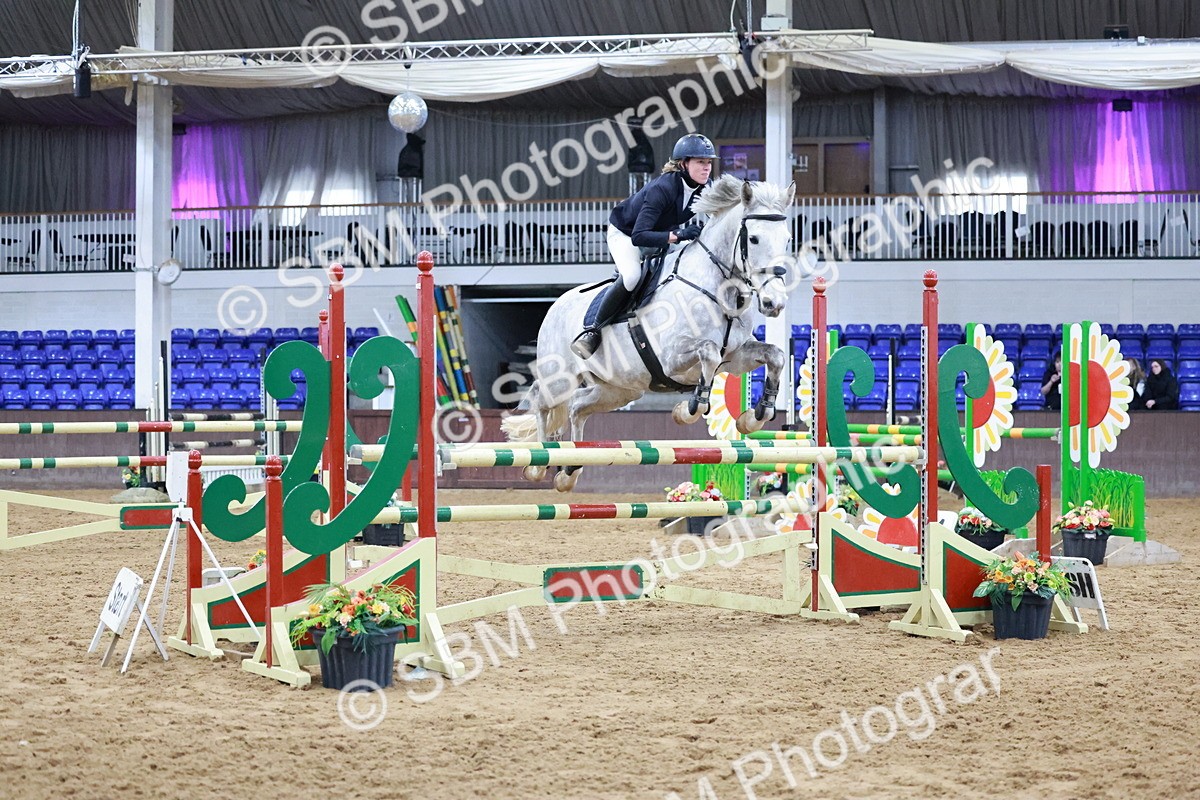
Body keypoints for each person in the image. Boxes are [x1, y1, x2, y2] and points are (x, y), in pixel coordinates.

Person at [570, 133, 716, 359]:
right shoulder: (663, 188)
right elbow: (639, 236)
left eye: (708, 162)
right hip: (626, 233)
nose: (706, 167)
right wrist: (678, 234)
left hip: (660, 234)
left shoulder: (706, 188)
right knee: (631, 277)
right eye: (700, 162)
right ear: (683, 164)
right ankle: (593, 331)